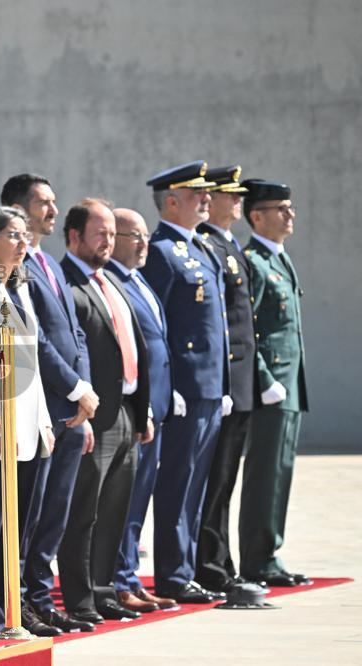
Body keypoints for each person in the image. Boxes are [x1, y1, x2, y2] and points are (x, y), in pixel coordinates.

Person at [0, 173, 98, 633]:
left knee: (53, 515)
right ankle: (19, 601)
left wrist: (85, 396)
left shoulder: (49, 263)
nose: (53, 212)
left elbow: (73, 335)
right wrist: (76, 389)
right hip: (45, 404)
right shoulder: (18, 267)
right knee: (30, 516)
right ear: (19, 208)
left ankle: (39, 596)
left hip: (71, 408)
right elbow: (34, 342)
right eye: (44, 203)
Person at [0, 206, 59, 637]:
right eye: (13, 235)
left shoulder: (19, 292)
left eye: (25, 236)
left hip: (28, 423)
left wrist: (42, 421)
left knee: (18, 526)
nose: (24, 243)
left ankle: (12, 608)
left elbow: (31, 365)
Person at [58, 199, 151, 624]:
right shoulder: (66, 283)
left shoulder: (108, 281)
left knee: (114, 509)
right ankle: (78, 598)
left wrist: (141, 407)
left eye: (113, 234)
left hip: (126, 412)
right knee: (85, 513)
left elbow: (133, 347)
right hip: (93, 415)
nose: (108, 242)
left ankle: (103, 590)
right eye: (101, 234)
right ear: (74, 236)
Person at [141, 161, 229, 605]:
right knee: (177, 484)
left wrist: (223, 384)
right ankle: (173, 575)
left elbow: (218, 329)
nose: (206, 199)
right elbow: (158, 327)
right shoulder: (161, 251)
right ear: (171, 201)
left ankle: (188, 568)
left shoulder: (203, 248)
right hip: (184, 391)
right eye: (196, 193)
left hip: (210, 389)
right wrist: (169, 386)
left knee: (196, 486)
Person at [238, 179, 312, 588]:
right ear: (257, 216)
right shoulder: (254, 261)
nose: (290, 214)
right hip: (272, 387)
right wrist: (265, 380)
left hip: (289, 384)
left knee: (280, 472)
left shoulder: (279, 259)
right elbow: (248, 329)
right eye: (280, 208)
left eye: (290, 206)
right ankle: (257, 559)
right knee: (265, 474)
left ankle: (270, 553)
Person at [194, 166, 263, 594]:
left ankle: (221, 559)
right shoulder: (208, 245)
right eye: (229, 195)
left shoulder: (227, 244)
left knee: (225, 481)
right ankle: (211, 565)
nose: (237, 202)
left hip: (238, 381)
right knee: (214, 480)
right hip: (223, 380)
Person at [107, 208, 178, 613]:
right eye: (133, 236)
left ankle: (130, 576)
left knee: (139, 503)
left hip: (155, 409)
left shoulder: (140, 281)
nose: (143, 243)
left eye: (144, 235)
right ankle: (118, 581)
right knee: (123, 501)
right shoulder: (113, 282)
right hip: (130, 411)